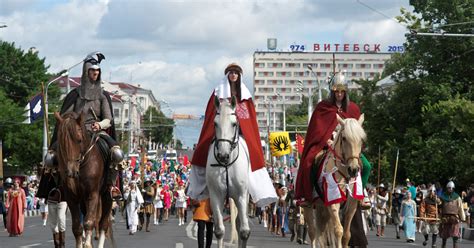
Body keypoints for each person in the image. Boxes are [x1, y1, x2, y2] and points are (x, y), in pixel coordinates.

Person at [188, 63, 277, 207]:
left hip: (239, 133)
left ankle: (253, 188)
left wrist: (242, 127)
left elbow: (249, 120)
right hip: (221, 133)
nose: (233, 75)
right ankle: (203, 186)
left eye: (236, 73)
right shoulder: (218, 93)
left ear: (239, 76)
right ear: (227, 75)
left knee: (253, 152)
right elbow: (211, 115)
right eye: (231, 72)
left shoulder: (245, 96)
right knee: (205, 149)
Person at [41, 51, 124, 198]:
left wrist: (99, 124)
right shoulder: (75, 94)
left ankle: (111, 186)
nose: (95, 74)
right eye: (93, 70)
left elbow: (108, 119)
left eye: (98, 71)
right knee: (50, 157)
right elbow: (66, 115)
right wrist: (71, 124)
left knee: (117, 153)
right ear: (86, 71)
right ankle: (58, 187)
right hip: (76, 132)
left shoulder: (103, 95)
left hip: (97, 131)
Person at [295, 72, 361, 204]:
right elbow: (317, 130)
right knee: (309, 161)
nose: (339, 94)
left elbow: (357, 134)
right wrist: (326, 140)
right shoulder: (323, 107)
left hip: (348, 149)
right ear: (332, 91)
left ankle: (361, 195)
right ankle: (309, 194)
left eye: (342, 91)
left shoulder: (353, 108)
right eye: (336, 91)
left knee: (366, 165)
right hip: (325, 146)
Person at [439, 181, 465, 248]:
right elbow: (439, 207)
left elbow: (460, 208)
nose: (450, 189)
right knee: (444, 237)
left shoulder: (457, 197)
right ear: (447, 188)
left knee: (455, 236)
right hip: (445, 218)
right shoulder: (442, 197)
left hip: (454, 218)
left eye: (451, 188)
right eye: (449, 188)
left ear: (453, 188)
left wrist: (462, 217)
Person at [47, 183, 67, 248]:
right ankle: (57, 244)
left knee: (61, 219)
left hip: (62, 201)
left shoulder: (66, 175)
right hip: (51, 201)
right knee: (53, 224)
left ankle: (62, 244)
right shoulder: (49, 174)